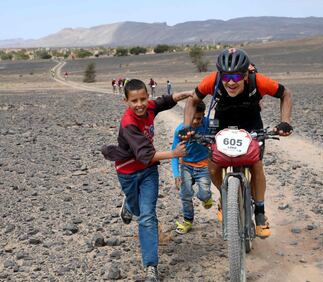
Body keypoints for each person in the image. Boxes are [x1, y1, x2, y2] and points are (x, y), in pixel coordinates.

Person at [180, 48, 293, 238]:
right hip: (223, 125)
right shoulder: (212, 81)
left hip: (252, 125)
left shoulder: (259, 81)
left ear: (246, 74)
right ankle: (226, 198)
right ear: (220, 75)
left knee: (256, 165)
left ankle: (259, 212)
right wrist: (186, 126)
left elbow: (286, 94)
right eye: (225, 76)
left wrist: (286, 121)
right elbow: (193, 100)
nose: (231, 82)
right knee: (214, 167)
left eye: (236, 76)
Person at [101, 79, 192, 281]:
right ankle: (129, 205)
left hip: (149, 172)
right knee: (138, 211)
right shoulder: (129, 124)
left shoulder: (148, 106)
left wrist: (182, 94)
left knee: (148, 216)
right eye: (134, 101)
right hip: (128, 172)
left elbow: (162, 102)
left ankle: (151, 266)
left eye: (143, 98)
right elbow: (145, 155)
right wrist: (174, 153)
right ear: (126, 100)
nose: (140, 104)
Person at [171, 101, 212, 234]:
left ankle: (206, 198)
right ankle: (188, 221)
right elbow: (174, 154)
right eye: (192, 117)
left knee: (204, 193)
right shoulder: (180, 130)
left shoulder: (208, 125)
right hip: (186, 166)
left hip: (204, 165)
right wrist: (176, 174)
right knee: (186, 194)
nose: (195, 121)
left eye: (199, 118)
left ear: (204, 116)